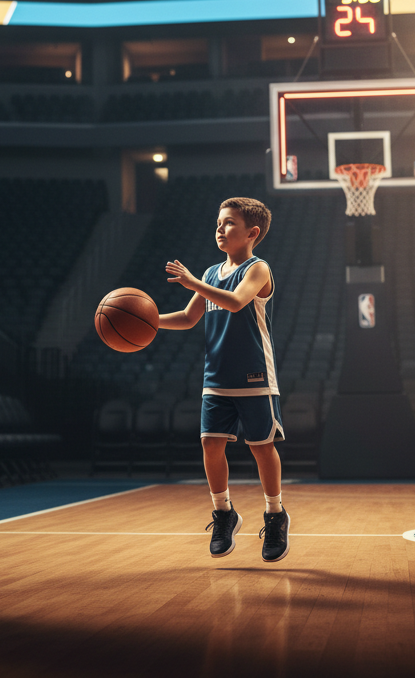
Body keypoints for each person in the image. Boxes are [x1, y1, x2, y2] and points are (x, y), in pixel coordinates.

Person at [157, 197, 289, 563]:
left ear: (252, 233)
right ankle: (224, 513)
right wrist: (150, 320)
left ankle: (275, 514)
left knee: (261, 447)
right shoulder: (212, 272)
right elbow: (187, 318)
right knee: (210, 445)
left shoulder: (258, 269)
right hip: (216, 378)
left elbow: (234, 302)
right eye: (218, 222)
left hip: (255, 376)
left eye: (229, 223)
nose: (220, 228)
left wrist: (193, 282)